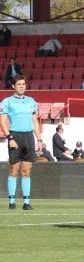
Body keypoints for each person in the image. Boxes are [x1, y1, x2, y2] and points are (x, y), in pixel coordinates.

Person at [1, 75, 42, 210]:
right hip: (15, 136)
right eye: (19, 84)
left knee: (26, 171)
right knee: (14, 170)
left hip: (28, 137)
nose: (22, 86)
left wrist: (39, 139)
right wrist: (10, 138)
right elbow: (2, 122)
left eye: (23, 84)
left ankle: (26, 202)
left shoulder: (31, 101)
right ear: (13, 86)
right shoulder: (7, 102)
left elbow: (35, 121)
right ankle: (12, 201)